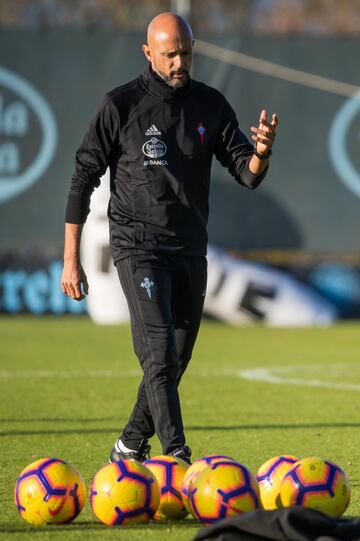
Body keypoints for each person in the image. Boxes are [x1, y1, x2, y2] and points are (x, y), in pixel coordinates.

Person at [61, 12, 278, 464]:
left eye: (186, 52)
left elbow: (247, 174)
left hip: (190, 249)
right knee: (158, 355)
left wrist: (260, 153)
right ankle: (177, 456)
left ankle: (128, 445)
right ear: (148, 54)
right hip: (137, 246)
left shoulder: (211, 105)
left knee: (175, 360)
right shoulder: (120, 106)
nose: (180, 62)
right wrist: (71, 259)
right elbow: (82, 180)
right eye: (170, 54)